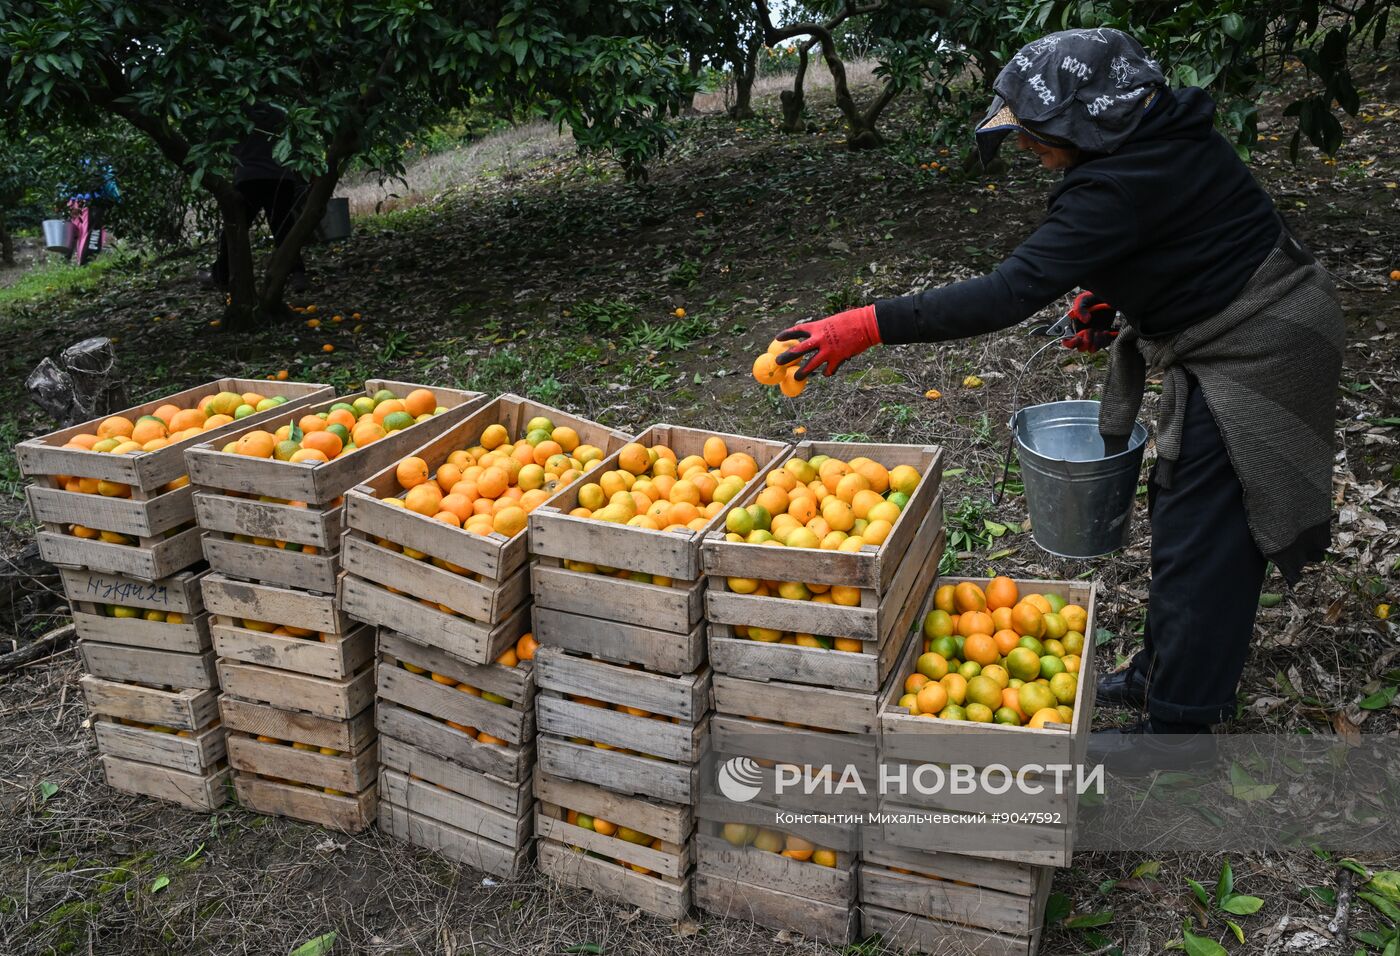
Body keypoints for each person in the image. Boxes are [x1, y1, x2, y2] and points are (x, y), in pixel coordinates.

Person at [773, 28, 1344, 774]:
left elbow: (1007, 292)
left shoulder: (1115, 186)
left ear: (1088, 121)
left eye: (1036, 132)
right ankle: (1162, 674)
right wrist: (1113, 293)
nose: (1025, 145)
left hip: (1263, 345)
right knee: (1182, 514)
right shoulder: (1159, 132)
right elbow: (1188, 232)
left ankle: (1178, 734)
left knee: (1208, 537)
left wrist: (864, 325)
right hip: (1249, 321)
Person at [206, 102, 308, 292]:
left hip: (248, 178)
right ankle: (297, 273)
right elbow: (297, 144)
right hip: (280, 178)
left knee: (235, 227)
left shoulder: (235, 115)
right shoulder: (281, 114)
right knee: (284, 228)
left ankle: (222, 275)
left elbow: (214, 142)